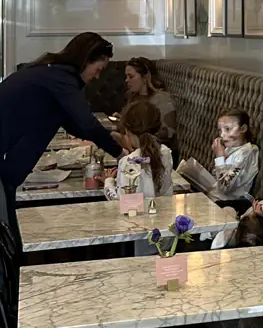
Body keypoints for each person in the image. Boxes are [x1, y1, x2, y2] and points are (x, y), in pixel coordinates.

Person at [0, 33, 122, 235]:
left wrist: (111, 135)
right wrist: (119, 153)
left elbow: (72, 123)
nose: (97, 77)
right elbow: (87, 123)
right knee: (7, 232)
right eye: (98, 70)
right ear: (85, 60)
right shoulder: (61, 78)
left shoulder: (52, 73)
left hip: (8, 163)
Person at [105, 99, 174, 200]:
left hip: (138, 211)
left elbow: (121, 202)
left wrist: (109, 181)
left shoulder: (129, 162)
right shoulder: (166, 153)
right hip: (164, 209)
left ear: (127, 131)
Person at [123, 56, 179, 161]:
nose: (127, 80)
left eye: (131, 76)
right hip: (136, 150)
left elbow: (168, 133)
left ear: (145, 77)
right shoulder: (132, 97)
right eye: (126, 76)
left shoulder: (163, 99)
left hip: (160, 154)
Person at [211, 109, 259, 206]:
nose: (222, 135)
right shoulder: (230, 149)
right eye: (220, 130)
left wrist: (219, 158)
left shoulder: (246, 153)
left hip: (226, 204)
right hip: (213, 197)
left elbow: (225, 187)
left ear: (243, 129)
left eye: (228, 129)